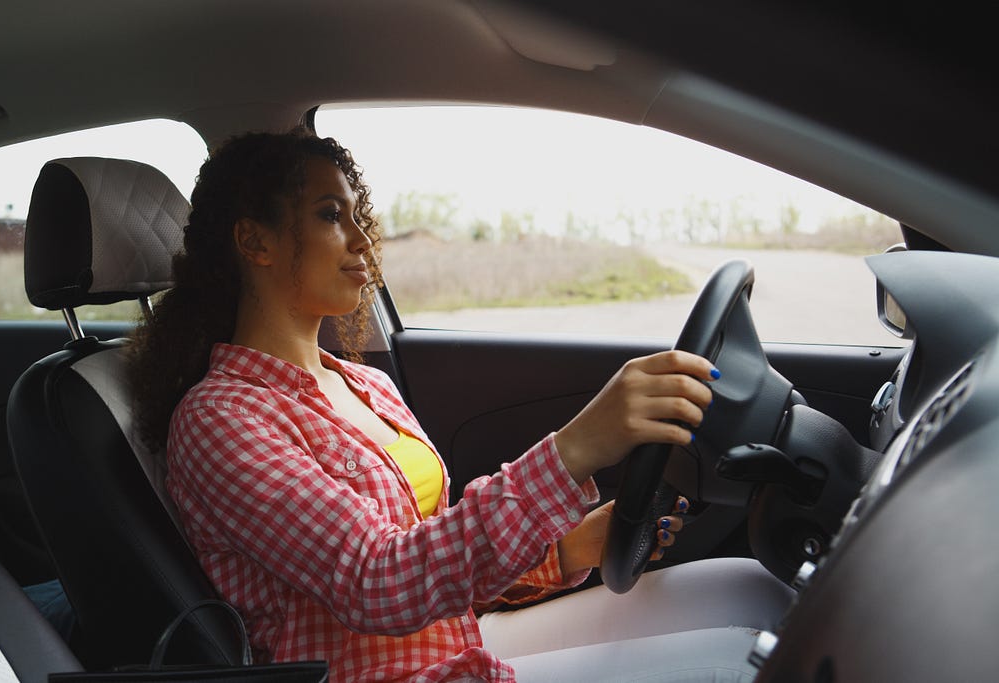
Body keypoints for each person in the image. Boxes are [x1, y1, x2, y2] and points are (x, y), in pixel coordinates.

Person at [129, 128, 792, 682]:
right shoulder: (220, 419)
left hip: (458, 649)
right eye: (332, 215)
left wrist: (561, 550)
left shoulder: (366, 386)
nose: (363, 240)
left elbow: (435, 559)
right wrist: (575, 449)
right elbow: (377, 579)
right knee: (744, 662)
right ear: (257, 242)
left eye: (359, 214)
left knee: (750, 590)